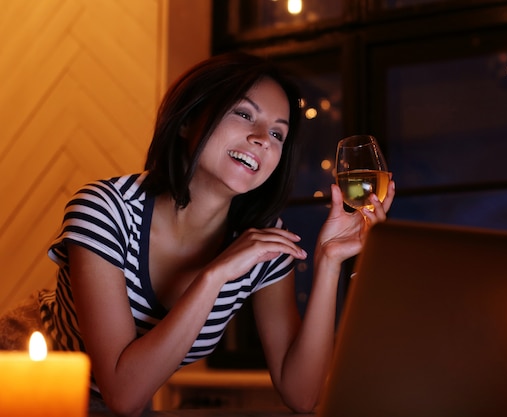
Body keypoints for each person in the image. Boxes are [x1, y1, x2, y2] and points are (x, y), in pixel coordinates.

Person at [0, 52, 395, 417]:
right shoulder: (106, 208)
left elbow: (302, 395)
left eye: (278, 134)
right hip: (21, 383)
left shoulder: (263, 242)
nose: (262, 138)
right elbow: (121, 391)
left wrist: (328, 261)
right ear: (188, 120)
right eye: (243, 114)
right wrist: (216, 274)